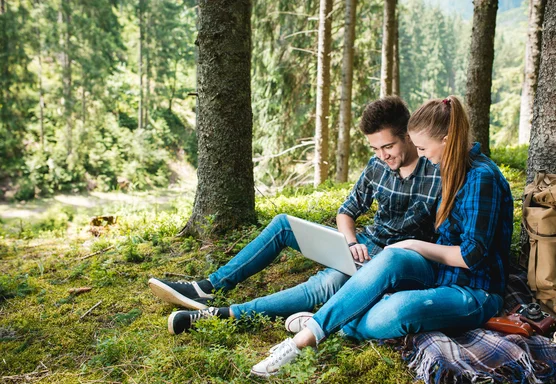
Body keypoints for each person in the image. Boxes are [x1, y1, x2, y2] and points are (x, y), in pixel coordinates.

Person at [250, 95, 514, 377]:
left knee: (397, 311)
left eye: (423, 147)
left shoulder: (480, 177)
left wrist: (413, 243)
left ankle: (315, 327)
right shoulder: (450, 166)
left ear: (447, 141)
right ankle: (310, 335)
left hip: (476, 290)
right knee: (392, 257)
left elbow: (472, 255)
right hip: (441, 274)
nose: (421, 154)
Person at [148, 96, 441, 335]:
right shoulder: (377, 166)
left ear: (409, 136)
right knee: (284, 224)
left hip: (398, 262)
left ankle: (220, 315)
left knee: (322, 286)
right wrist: (351, 243)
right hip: (363, 249)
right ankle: (208, 287)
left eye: (388, 146)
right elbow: (346, 212)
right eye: (375, 148)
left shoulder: (436, 170)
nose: (382, 155)